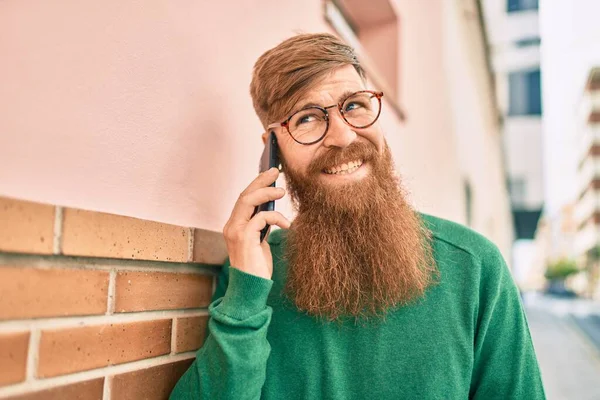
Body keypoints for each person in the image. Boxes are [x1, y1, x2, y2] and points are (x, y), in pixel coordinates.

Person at [171, 33, 546, 400]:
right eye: (306, 119)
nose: (344, 136)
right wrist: (246, 296)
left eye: (354, 105)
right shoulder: (251, 277)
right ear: (273, 150)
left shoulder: (475, 268)